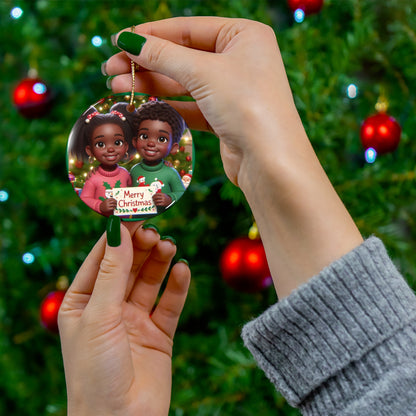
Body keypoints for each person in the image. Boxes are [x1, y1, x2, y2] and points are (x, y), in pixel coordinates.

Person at [58, 16, 416, 416]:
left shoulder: (162, 172)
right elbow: (385, 383)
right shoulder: (112, 174)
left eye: (157, 139)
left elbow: (386, 384)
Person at [68, 102, 135, 216]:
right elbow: (85, 198)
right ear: (90, 151)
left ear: (126, 146)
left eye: (117, 142)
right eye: (100, 144)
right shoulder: (93, 179)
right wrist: (100, 206)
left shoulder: (125, 174)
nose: (110, 149)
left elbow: (132, 193)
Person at [130, 100, 186, 211]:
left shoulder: (170, 173)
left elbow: (180, 192)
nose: (151, 143)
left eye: (162, 139)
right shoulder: (134, 171)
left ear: (173, 148)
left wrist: (169, 198)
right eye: (144, 136)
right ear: (135, 141)